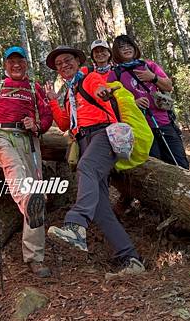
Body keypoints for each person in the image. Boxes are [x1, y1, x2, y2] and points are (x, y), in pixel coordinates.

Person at [44, 45, 145, 277]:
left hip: (104, 134)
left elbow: (100, 88)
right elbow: (62, 124)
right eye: (59, 64)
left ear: (77, 61)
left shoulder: (89, 78)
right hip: (83, 141)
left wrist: (103, 91)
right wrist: (52, 100)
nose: (64, 66)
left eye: (67, 60)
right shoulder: (69, 95)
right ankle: (131, 258)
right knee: (100, 207)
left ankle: (76, 224)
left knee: (86, 167)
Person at [0, 46, 53, 278]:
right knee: (15, 170)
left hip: (29, 140)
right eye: (12, 61)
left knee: (36, 193)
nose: (16, 65)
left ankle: (35, 257)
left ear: (26, 64)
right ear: (5, 65)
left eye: (20, 61)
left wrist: (38, 125)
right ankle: (30, 202)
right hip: (2, 135)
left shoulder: (34, 87)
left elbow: (47, 115)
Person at [108, 34, 189, 169]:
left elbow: (168, 86)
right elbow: (112, 102)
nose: (127, 49)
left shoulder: (149, 65)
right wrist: (133, 102)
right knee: (154, 168)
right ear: (117, 52)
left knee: (179, 163)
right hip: (140, 129)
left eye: (129, 45)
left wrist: (153, 77)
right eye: (122, 47)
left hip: (164, 122)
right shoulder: (115, 74)